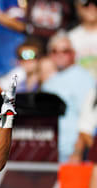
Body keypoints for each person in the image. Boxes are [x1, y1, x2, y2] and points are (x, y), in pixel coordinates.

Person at [41, 32, 96, 162]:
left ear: (73, 53)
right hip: (50, 152)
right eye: (55, 51)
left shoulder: (83, 78)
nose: (59, 54)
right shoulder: (50, 81)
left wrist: (77, 152)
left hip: (72, 154)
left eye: (65, 51)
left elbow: (88, 119)